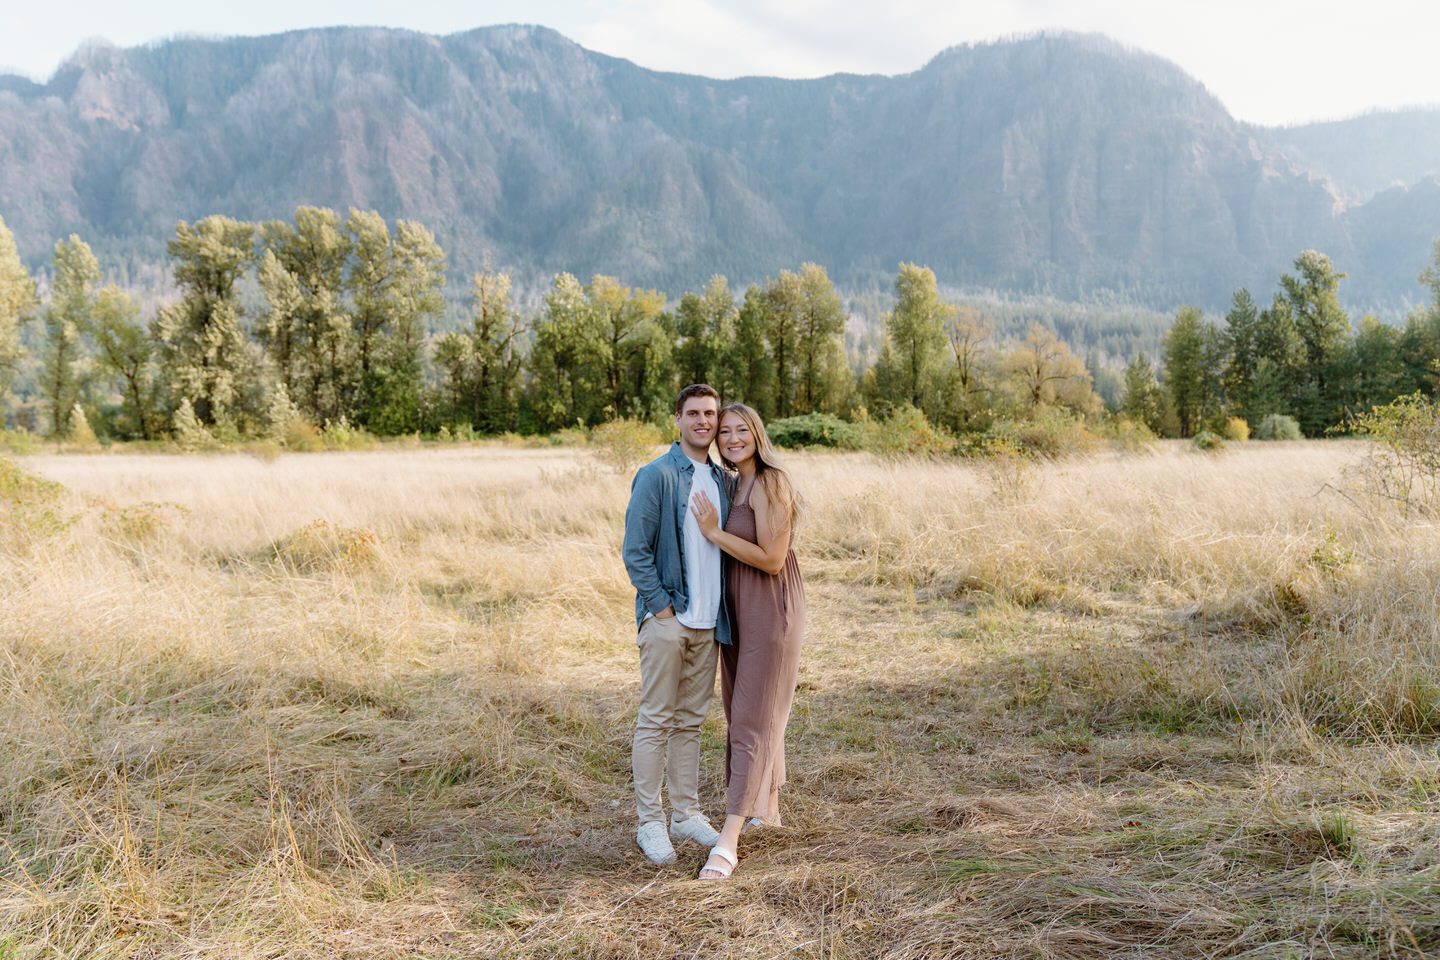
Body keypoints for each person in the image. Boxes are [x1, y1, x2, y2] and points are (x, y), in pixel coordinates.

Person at [688, 402, 806, 880]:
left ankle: (729, 841)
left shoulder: (771, 483)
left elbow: (774, 559)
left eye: (742, 430)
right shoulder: (736, 483)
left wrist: (714, 533)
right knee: (747, 711)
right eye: (726, 432)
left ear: (758, 434)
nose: (732, 438)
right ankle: (769, 810)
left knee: (752, 721)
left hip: (771, 609)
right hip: (739, 612)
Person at [621, 383, 733, 865]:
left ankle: (685, 813)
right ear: (678, 419)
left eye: (710, 414)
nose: (703, 422)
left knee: (690, 722)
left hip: (709, 623)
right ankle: (650, 822)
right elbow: (635, 550)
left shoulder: (725, 481)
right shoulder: (657, 475)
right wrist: (661, 608)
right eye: (694, 414)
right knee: (655, 720)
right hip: (669, 620)